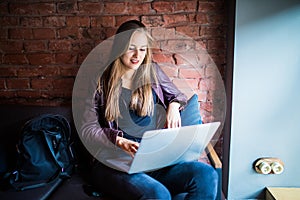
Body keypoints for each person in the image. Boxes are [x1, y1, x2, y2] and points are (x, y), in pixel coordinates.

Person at [79, 20, 218, 200]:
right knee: (158, 194)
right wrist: (119, 141)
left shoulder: (152, 71)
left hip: (154, 161)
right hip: (115, 163)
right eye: (131, 48)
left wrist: (174, 106)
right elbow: (87, 130)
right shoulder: (99, 82)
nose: (138, 55)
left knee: (206, 175)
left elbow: (178, 97)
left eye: (143, 49)